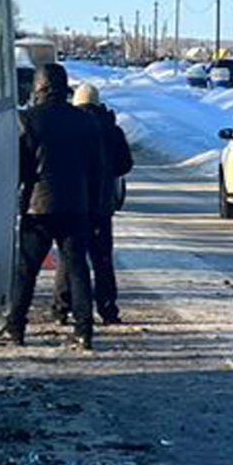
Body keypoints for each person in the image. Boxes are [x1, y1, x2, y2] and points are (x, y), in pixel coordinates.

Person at [6, 63, 105, 349]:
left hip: (38, 207)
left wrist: (18, 198)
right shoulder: (86, 121)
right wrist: (96, 205)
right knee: (77, 269)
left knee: (26, 270)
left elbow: (21, 166)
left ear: (39, 87)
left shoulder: (28, 120)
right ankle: (84, 330)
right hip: (77, 205)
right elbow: (97, 169)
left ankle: (16, 326)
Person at [53, 82, 135, 326]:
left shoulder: (69, 127)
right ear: (98, 103)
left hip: (73, 202)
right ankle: (107, 308)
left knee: (70, 258)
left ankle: (61, 306)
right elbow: (125, 164)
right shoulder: (112, 129)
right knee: (102, 259)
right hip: (101, 204)